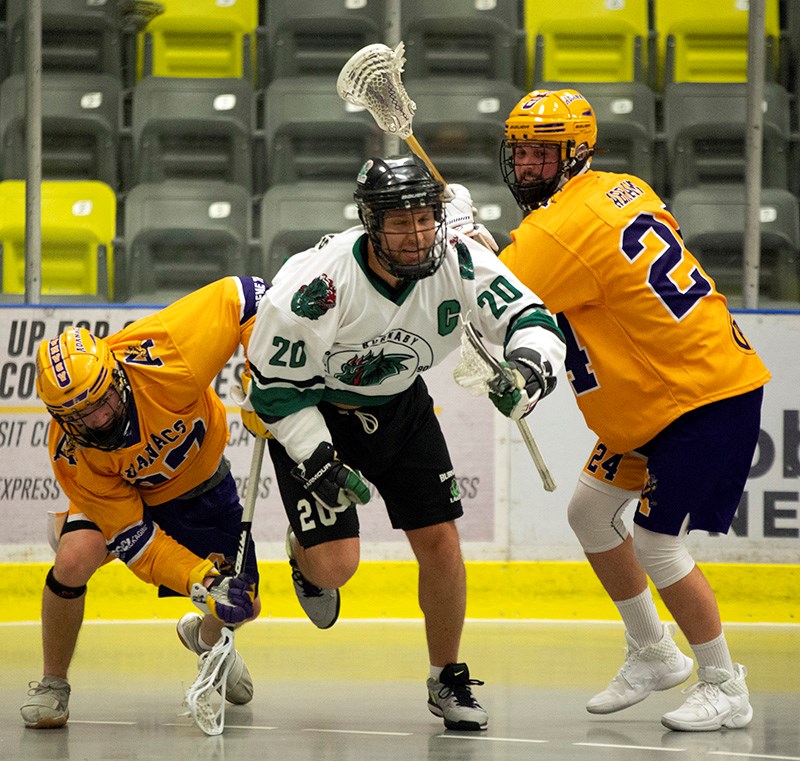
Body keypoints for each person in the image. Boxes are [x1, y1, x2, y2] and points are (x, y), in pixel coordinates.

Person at [239, 155, 567, 731]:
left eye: (425, 219)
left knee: (440, 540)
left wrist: (530, 369)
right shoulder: (314, 288)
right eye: (399, 222)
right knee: (335, 568)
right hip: (318, 410)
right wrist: (318, 458)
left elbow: (529, 316)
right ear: (371, 224)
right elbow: (275, 392)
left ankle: (447, 677)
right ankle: (303, 555)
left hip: (402, 407)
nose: (416, 236)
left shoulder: (461, 260)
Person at [496, 88, 771, 732]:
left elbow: (504, 294)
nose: (528, 167)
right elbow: (563, 259)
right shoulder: (622, 188)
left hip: (697, 397)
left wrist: (458, 245)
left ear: (576, 153)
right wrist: (484, 243)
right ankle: (652, 651)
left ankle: (725, 685)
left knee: (655, 542)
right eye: (522, 154)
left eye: (543, 154)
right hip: (667, 392)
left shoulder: (556, 230)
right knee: (590, 513)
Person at [20, 276, 268, 728]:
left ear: (117, 373)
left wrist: (263, 374)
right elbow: (135, 539)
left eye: (102, 401)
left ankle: (208, 642)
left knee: (242, 600)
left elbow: (248, 294)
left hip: (200, 485)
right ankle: (53, 683)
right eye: (79, 415)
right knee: (73, 561)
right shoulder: (71, 451)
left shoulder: (168, 351)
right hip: (129, 498)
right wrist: (197, 577)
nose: (98, 418)